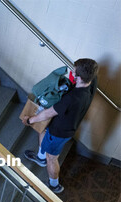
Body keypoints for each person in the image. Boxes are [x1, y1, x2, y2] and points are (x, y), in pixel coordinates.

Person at [22, 58, 98, 194]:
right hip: (67, 124)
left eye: (74, 72)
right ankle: (40, 158)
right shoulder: (91, 84)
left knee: (52, 158)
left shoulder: (71, 98)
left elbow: (48, 113)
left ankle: (54, 185)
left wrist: (30, 120)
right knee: (43, 130)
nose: (72, 73)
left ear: (78, 77)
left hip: (59, 132)